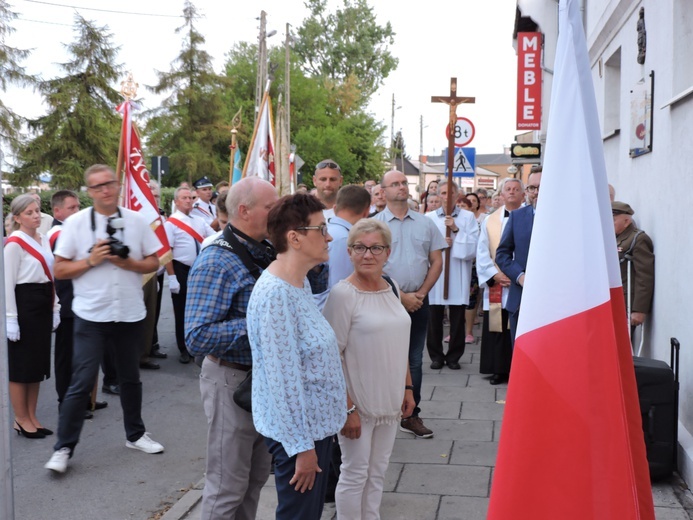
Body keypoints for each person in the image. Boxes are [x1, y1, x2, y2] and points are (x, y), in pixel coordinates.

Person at [45, 164, 164, 474]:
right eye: (97, 187)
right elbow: (59, 270)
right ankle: (63, 447)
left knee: (130, 378)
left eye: (109, 183)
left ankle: (135, 435)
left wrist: (129, 263)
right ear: (89, 191)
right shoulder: (76, 224)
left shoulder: (136, 222)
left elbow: (154, 260)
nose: (105, 190)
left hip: (128, 312)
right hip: (91, 314)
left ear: (117, 185)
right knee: (81, 381)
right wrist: (91, 260)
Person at [247, 193, 346, 519]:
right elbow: (282, 381)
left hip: (313, 430)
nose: (329, 236)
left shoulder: (297, 283)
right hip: (299, 439)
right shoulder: (277, 294)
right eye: (321, 229)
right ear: (295, 238)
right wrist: (302, 450)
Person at [185, 177, 278, 520]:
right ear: (244, 211)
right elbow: (196, 336)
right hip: (231, 381)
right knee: (226, 488)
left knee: (253, 482)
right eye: (272, 207)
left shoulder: (266, 249)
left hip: (258, 381)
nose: (278, 213)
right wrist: (260, 321)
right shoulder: (216, 261)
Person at [323, 219, 415, 519]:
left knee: (378, 472)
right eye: (359, 248)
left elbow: (400, 342)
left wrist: (408, 387)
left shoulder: (391, 285)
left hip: (390, 398)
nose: (367, 255)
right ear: (349, 252)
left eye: (376, 247)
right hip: (358, 402)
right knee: (354, 473)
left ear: (387, 252)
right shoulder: (342, 294)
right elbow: (330, 355)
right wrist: (347, 409)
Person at [374, 170, 445, 439]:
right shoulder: (376, 224)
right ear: (383, 191)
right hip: (385, 302)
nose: (401, 187)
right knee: (382, 359)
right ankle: (382, 412)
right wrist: (400, 295)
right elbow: (371, 265)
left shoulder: (426, 224)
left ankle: (410, 414)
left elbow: (436, 261)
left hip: (418, 301)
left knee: (414, 359)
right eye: (395, 184)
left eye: (404, 182)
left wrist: (421, 294)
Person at [4, 194, 60, 439]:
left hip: (42, 303)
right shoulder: (14, 243)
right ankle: (20, 418)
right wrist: (10, 318)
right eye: (29, 212)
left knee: (37, 366)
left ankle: (32, 416)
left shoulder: (44, 239)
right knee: (20, 367)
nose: (36, 215)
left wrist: (55, 307)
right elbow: (7, 283)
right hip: (24, 305)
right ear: (17, 218)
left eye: (37, 211)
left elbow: (52, 275)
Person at [48, 190, 108, 416]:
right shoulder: (57, 233)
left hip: (83, 299)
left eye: (77, 207)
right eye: (71, 208)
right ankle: (66, 402)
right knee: (66, 357)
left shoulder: (71, 229)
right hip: (67, 302)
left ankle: (83, 398)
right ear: (57, 211)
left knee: (84, 355)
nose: (76, 211)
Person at [426, 182, 479, 370]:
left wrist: (456, 230)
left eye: (451, 192)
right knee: (434, 316)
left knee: (457, 316)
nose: (446, 196)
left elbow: (473, 246)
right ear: (438, 195)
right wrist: (440, 244)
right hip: (437, 272)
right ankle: (436, 355)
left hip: (457, 270)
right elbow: (424, 244)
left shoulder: (468, 217)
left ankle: (454, 355)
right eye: (442, 193)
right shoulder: (429, 217)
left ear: (458, 195)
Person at [477, 178, 524, 385]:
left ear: (523, 195)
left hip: (521, 280)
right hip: (498, 282)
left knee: (519, 324)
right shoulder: (490, 220)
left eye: (516, 189)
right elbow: (482, 251)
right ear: (501, 195)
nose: (512, 192)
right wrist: (494, 275)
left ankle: (519, 367)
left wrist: (517, 274)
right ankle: (498, 368)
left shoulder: (531, 217)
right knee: (497, 326)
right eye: (508, 189)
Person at [164, 186, 215, 364]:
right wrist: (171, 277)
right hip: (180, 269)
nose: (188, 201)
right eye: (184, 198)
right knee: (182, 311)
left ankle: (197, 344)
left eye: (190, 198)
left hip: (198, 269)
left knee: (199, 309)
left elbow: (214, 236)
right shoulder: (171, 223)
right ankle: (183, 348)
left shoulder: (199, 221)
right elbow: (167, 252)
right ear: (176, 202)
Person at [496, 167, 542, 345]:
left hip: (556, 300)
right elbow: (502, 255)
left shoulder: (565, 217)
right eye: (532, 188)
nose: (536, 192)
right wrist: (520, 276)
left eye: (541, 187)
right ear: (527, 192)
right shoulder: (517, 217)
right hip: (521, 298)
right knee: (523, 353)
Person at [314, 185, 371, 310]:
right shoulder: (343, 239)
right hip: (332, 314)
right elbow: (340, 289)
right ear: (366, 212)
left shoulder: (331, 232)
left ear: (334, 208)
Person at [613, 201, 654, 328]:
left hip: (626, 303)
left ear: (626, 221)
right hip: (612, 302)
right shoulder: (613, 238)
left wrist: (639, 309)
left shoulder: (637, 239)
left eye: (613, 219)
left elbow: (644, 276)